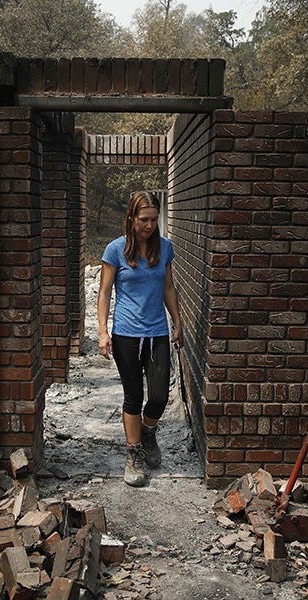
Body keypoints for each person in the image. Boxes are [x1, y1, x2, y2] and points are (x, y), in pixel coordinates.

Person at [97, 190, 184, 488]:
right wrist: (102, 331)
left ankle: (148, 432)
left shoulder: (165, 248)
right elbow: (105, 292)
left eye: (154, 219)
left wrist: (178, 321)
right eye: (144, 219)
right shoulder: (115, 250)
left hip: (157, 332)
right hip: (126, 335)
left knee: (158, 396)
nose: (149, 225)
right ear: (131, 219)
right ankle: (133, 453)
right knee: (134, 396)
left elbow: (169, 287)